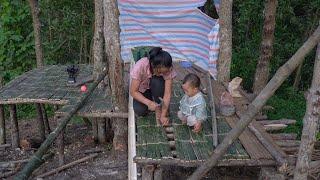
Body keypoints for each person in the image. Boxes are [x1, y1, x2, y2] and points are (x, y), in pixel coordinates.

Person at [130, 47, 176, 126]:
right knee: (140, 110)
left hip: (155, 85)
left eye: (166, 71)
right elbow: (133, 91)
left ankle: (160, 105)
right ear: (154, 67)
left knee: (157, 81)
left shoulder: (168, 68)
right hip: (143, 89)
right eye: (162, 72)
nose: (165, 73)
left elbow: (167, 94)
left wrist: (163, 115)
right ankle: (153, 102)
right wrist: (148, 103)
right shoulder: (140, 66)